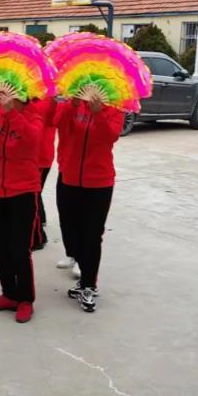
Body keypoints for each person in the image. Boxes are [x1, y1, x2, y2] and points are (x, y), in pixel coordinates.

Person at [54, 94, 124, 313]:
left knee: (92, 235)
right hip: (68, 177)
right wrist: (72, 104)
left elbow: (111, 136)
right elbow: (57, 123)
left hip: (99, 182)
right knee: (69, 228)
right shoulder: (72, 105)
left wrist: (99, 114)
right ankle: (80, 266)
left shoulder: (114, 108)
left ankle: (88, 285)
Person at [0, 91, 43, 324]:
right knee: (0, 246)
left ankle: (25, 299)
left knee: (19, 248)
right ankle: (9, 294)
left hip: (23, 192)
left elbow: (32, 142)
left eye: (11, 95)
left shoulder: (33, 118)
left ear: (21, 97)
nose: (5, 99)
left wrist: (13, 115)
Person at [32, 96, 57, 251]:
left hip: (40, 156)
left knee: (32, 195)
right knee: (35, 193)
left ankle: (38, 237)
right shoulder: (30, 97)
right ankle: (41, 219)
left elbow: (50, 119)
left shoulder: (48, 99)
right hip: (32, 155)